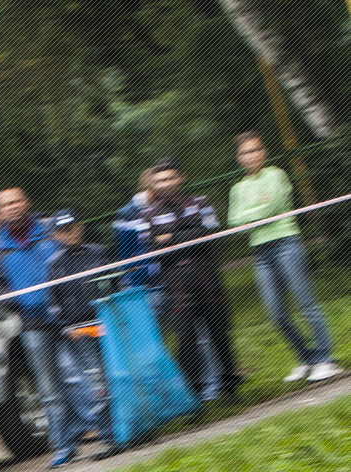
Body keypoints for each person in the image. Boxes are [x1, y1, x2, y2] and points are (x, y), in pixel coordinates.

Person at [0, 187, 90, 467]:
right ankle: (63, 446)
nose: (13, 207)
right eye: (6, 204)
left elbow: (72, 257)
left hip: (67, 318)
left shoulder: (48, 228)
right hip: (32, 326)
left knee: (78, 375)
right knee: (48, 388)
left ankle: (99, 428)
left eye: (17, 201)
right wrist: (20, 302)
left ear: (27, 202)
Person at [229, 132, 340, 383]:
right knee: (276, 314)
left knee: (306, 305)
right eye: (246, 152)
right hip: (260, 252)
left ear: (264, 152)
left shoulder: (276, 175)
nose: (252, 155)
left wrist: (250, 215)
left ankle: (325, 360)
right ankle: (307, 359)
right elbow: (234, 221)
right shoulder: (237, 188)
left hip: (286, 243)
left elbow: (273, 207)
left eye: (256, 149)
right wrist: (257, 214)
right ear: (239, 157)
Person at [143, 158, 242, 401]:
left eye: (170, 178)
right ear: (154, 184)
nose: (166, 184)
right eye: (160, 181)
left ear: (180, 177)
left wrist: (170, 236)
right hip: (177, 288)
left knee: (219, 335)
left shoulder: (200, 201)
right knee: (186, 343)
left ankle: (230, 387)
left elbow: (209, 233)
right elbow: (153, 250)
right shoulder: (147, 215)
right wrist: (189, 231)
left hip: (208, 281)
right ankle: (194, 396)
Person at [46, 210, 117, 459]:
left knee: (119, 376)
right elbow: (53, 304)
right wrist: (67, 328)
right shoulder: (54, 264)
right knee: (97, 384)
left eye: (73, 227)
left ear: (82, 226)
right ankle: (109, 436)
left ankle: (134, 427)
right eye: (64, 231)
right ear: (56, 235)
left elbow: (115, 285)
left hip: (107, 325)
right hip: (81, 333)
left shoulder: (99, 252)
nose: (71, 234)